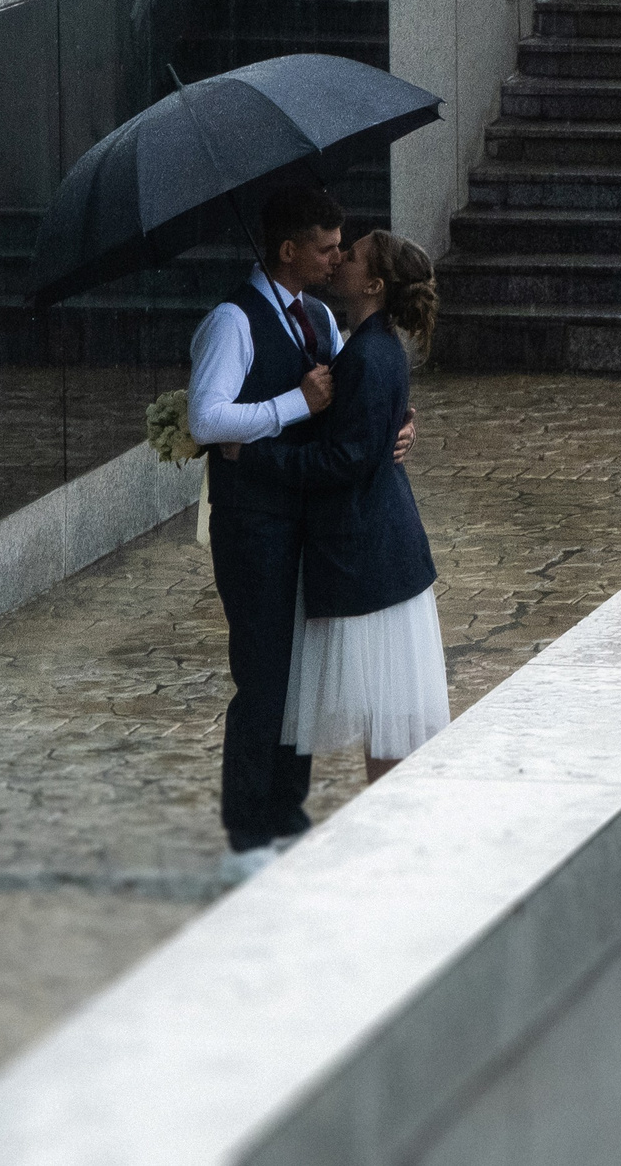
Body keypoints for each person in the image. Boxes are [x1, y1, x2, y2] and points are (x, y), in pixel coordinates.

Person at [225, 230, 450, 784]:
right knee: (385, 723)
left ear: (373, 283)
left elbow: (341, 461)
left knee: (387, 728)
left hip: (370, 558)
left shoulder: (371, 353)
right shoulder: (364, 343)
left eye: (350, 255)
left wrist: (252, 457)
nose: (339, 256)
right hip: (377, 550)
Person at [187, 185, 346, 886]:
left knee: (302, 675)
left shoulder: (320, 316)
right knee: (264, 676)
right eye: (325, 248)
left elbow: (345, 397)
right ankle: (248, 831)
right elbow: (206, 420)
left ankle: (288, 814)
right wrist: (295, 403)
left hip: (309, 520)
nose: (336, 259)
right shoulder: (232, 321)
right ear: (288, 251)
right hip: (252, 527)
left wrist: (392, 424)